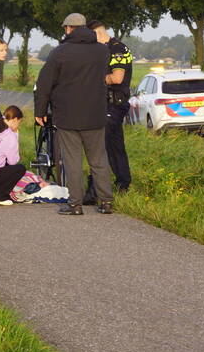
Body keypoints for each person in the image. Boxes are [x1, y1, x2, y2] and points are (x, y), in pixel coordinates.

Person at [34, 13, 114, 216]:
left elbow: (44, 83)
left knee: (72, 161)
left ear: (69, 28)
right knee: (98, 160)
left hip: (67, 115)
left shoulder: (60, 52)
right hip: (95, 114)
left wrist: (40, 111)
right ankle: (105, 202)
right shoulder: (102, 51)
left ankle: (75, 204)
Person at [89, 19, 132, 194]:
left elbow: (117, 78)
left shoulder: (117, 49)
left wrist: (94, 78)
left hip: (115, 103)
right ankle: (123, 183)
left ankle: (96, 188)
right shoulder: (107, 48)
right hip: (111, 103)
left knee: (101, 145)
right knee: (115, 146)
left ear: (98, 33)